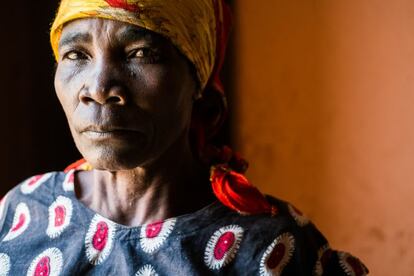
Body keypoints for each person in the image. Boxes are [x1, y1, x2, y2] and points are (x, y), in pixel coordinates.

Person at [0, 0, 369, 275]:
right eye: (76, 55)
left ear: (198, 79)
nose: (98, 88)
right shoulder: (21, 213)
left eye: (141, 53)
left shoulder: (272, 249)